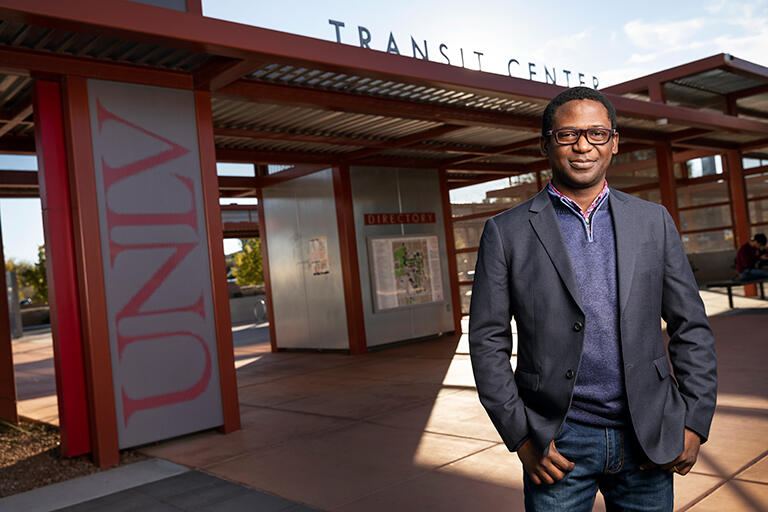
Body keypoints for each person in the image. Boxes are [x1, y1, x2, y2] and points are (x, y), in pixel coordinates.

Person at [469, 86, 717, 511]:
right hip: (557, 441)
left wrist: (694, 421)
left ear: (614, 142)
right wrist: (522, 438)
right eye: (567, 135)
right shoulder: (505, 232)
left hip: (648, 437)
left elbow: (690, 325)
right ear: (546, 143)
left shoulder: (652, 221)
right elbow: (488, 341)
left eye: (597, 134)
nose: (583, 146)